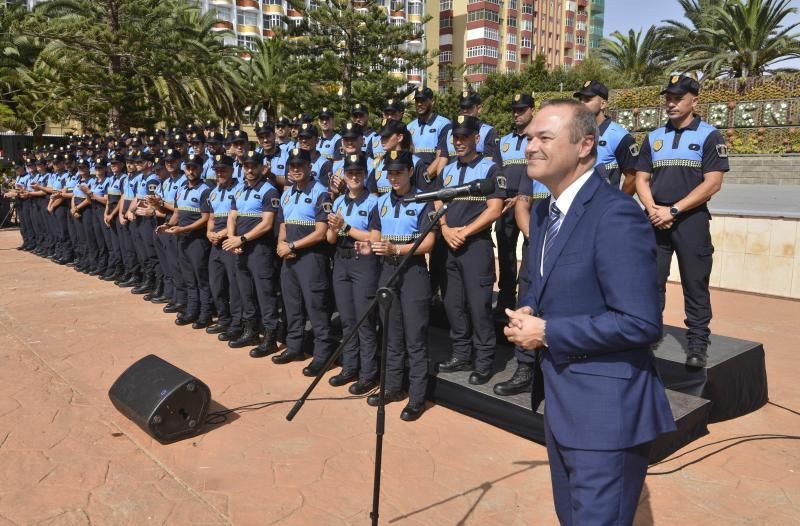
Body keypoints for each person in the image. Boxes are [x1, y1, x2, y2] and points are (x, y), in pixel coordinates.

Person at [504, 99, 675, 525]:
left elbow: (640, 322)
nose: (530, 146)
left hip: (606, 413)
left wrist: (547, 332)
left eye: (545, 137)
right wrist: (535, 311)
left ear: (585, 145)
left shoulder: (615, 215)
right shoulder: (545, 211)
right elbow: (565, 289)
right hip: (563, 405)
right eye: (529, 138)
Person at [635, 75, 728, 369]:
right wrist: (652, 208)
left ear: (695, 100)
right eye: (668, 98)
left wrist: (673, 211)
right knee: (651, 283)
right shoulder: (653, 137)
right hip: (655, 220)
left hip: (690, 221)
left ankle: (697, 343)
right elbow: (641, 178)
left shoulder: (709, 136)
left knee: (695, 283)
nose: (671, 103)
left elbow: (713, 183)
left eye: (678, 98)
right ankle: (649, 334)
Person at [356, 150, 436, 421]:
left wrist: (395, 249)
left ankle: (416, 397)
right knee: (391, 334)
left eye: (398, 172)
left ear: (410, 172)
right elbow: (376, 234)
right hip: (388, 272)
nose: (393, 177)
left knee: (415, 338)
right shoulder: (381, 203)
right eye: (390, 173)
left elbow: (427, 244)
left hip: (412, 273)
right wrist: (369, 247)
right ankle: (391, 387)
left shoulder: (423, 201)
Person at [435, 115, 505, 385]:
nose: (459, 142)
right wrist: (444, 228)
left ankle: (484, 360)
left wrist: (464, 232)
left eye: (465, 137)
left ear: (477, 138)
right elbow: (438, 204)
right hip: (450, 244)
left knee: (479, 307)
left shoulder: (490, 169)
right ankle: (461, 354)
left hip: (476, 246)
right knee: (453, 305)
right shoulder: (448, 169)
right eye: (456, 137)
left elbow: (495, 210)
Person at [272, 148, 338, 374]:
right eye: (292, 166)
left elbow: (321, 232)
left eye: (301, 166)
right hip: (289, 258)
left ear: (310, 168)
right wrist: (282, 246)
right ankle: (294, 346)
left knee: (316, 307)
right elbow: (282, 223)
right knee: (292, 306)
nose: (296, 170)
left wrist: (292, 246)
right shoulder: (287, 192)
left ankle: (323, 354)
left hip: (311, 258)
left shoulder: (321, 192)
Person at [326, 153, 380, 393]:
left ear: (365, 175)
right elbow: (330, 239)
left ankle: (368, 373)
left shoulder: (375, 201)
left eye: (358, 173)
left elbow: (374, 237)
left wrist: (346, 227)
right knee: (347, 320)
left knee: (364, 321)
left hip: (364, 262)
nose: (354, 177)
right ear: (344, 176)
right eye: (350, 173)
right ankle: (350, 366)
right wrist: (333, 227)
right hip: (341, 260)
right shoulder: (338, 202)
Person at [223, 149, 283, 357]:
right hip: (240, 248)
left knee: (264, 293)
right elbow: (232, 217)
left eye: (253, 166)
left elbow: (267, 224)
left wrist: (242, 238)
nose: (249, 169)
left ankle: (270, 337)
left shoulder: (269, 190)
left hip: (260, 250)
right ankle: (251, 331)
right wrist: (232, 239)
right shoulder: (239, 190)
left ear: (262, 167)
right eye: (246, 166)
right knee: (245, 291)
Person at [157, 152, 213, 328]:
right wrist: (168, 225)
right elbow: (177, 213)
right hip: (183, 238)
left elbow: (205, 218)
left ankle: (205, 314)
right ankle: (192, 310)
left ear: (200, 169)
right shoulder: (181, 189)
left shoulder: (205, 190)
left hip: (197, 240)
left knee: (201, 278)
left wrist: (185, 228)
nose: (191, 171)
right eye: (188, 168)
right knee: (189, 277)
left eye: (194, 168)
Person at [494, 93, 535, 320]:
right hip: (506, 205)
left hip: (531, 202)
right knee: (506, 254)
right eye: (514, 110)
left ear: (532, 110)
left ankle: (526, 303)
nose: (516, 114)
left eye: (521, 110)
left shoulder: (538, 137)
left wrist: (521, 197)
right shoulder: (504, 141)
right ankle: (505, 302)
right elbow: (499, 173)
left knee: (530, 254)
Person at [574, 80, 639, 195]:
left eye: (588, 100)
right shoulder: (574, 132)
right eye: (581, 100)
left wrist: (618, 203)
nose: (582, 104)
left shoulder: (619, 136)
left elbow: (633, 177)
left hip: (605, 208)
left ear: (603, 104)